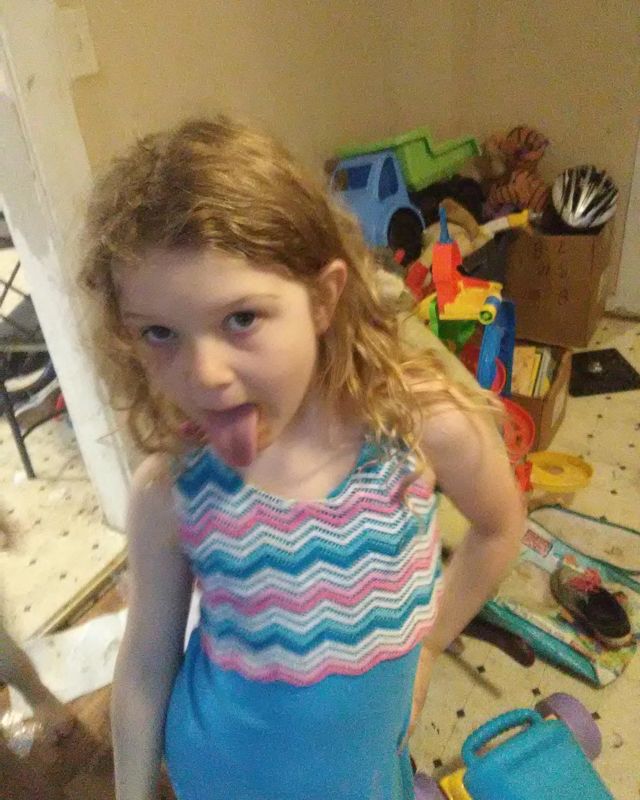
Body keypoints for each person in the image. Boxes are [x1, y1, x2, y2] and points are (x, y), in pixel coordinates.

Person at [80, 116, 524, 800]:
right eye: (161, 333)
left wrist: (432, 645)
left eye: (241, 319)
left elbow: (499, 525)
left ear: (323, 298)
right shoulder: (171, 491)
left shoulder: (421, 428)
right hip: (220, 775)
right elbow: (144, 666)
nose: (204, 374)